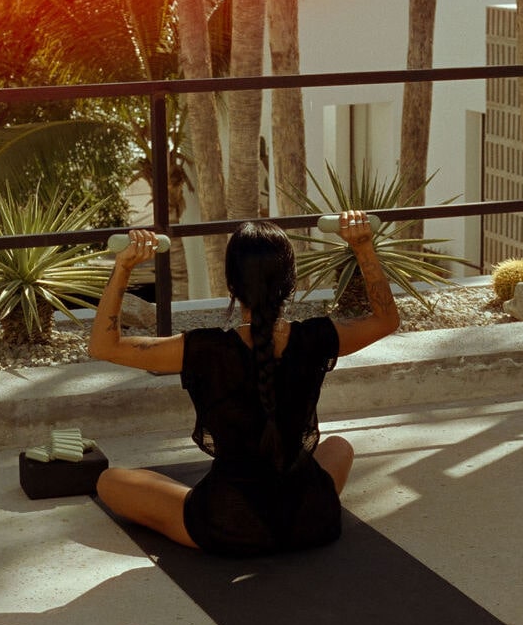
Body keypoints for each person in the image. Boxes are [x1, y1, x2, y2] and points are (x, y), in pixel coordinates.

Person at [87, 212, 399, 557]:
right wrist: (362, 246)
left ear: (232, 286)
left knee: (110, 481)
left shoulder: (203, 349)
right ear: (290, 283)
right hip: (312, 520)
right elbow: (386, 320)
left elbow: (104, 346)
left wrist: (124, 266)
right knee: (340, 446)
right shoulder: (317, 337)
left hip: (229, 524)